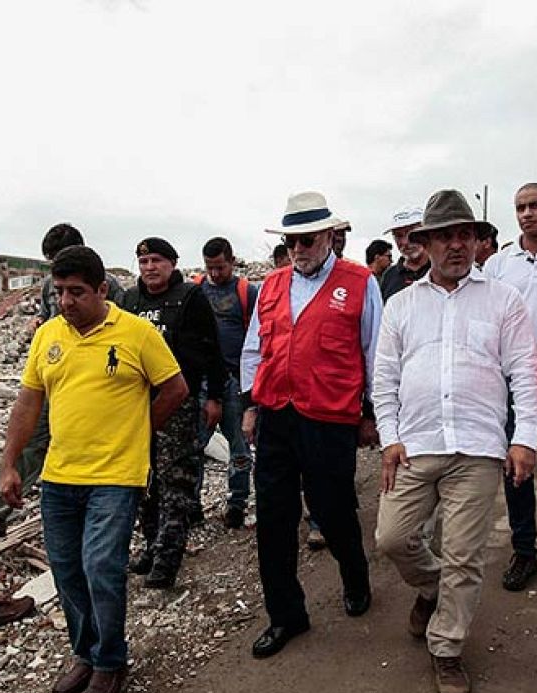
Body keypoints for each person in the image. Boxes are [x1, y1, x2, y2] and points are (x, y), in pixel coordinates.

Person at [0, 246, 188, 693]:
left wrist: (138, 432)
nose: (66, 301)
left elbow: (175, 388)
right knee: (67, 572)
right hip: (61, 476)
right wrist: (8, 463)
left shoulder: (136, 333)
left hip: (117, 476)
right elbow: (28, 402)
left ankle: (109, 660)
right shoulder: (48, 336)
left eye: (77, 292)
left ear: (102, 289)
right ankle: (84, 652)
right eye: (59, 291)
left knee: (101, 566)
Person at [373, 189, 537, 693]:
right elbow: (383, 380)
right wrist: (389, 438)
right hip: (417, 443)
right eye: (445, 236)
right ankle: (431, 589)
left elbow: (526, 375)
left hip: (478, 447)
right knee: (393, 538)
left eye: (464, 235)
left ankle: (446, 648)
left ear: (476, 240)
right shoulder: (402, 305)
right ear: (425, 243)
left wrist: (524, 440)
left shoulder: (503, 300)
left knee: (465, 556)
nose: (456, 245)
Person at [241, 191, 383, 658]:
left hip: (329, 419)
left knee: (335, 510)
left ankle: (355, 576)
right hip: (276, 417)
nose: (300, 248)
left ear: (330, 236)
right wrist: (249, 404)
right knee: (275, 521)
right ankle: (286, 615)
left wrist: (370, 415)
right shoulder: (272, 285)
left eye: (308, 238)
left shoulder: (361, 283)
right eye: (292, 240)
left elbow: (375, 354)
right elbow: (252, 350)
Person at [0, 223, 125, 545]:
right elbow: (54, 327)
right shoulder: (52, 286)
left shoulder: (108, 286)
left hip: (101, 387)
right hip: (58, 383)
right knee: (30, 441)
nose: (65, 297)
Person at [123, 237, 227, 588]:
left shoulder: (190, 297)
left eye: (155, 260)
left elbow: (212, 349)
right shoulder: (129, 301)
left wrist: (215, 397)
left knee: (176, 482)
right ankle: (152, 546)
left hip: (179, 402)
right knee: (144, 481)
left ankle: (168, 559)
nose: (149, 267)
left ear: (171, 263)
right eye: (143, 261)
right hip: (137, 404)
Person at [484, 182, 537, 591]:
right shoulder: (499, 266)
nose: (526, 213)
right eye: (519, 207)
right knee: (516, 469)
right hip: (515, 378)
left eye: (535, 205)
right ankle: (524, 550)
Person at [193, 237, 258, 529]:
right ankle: (190, 505)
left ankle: (237, 502)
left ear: (232, 262)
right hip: (202, 380)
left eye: (220, 267)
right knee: (195, 444)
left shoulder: (246, 292)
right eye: (210, 268)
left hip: (234, 380)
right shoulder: (196, 290)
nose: (215, 274)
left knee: (239, 444)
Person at [380, 206, 430, 300]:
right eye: (398, 236)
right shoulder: (389, 276)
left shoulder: (441, 271)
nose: (405, 242)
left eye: (411, 233)